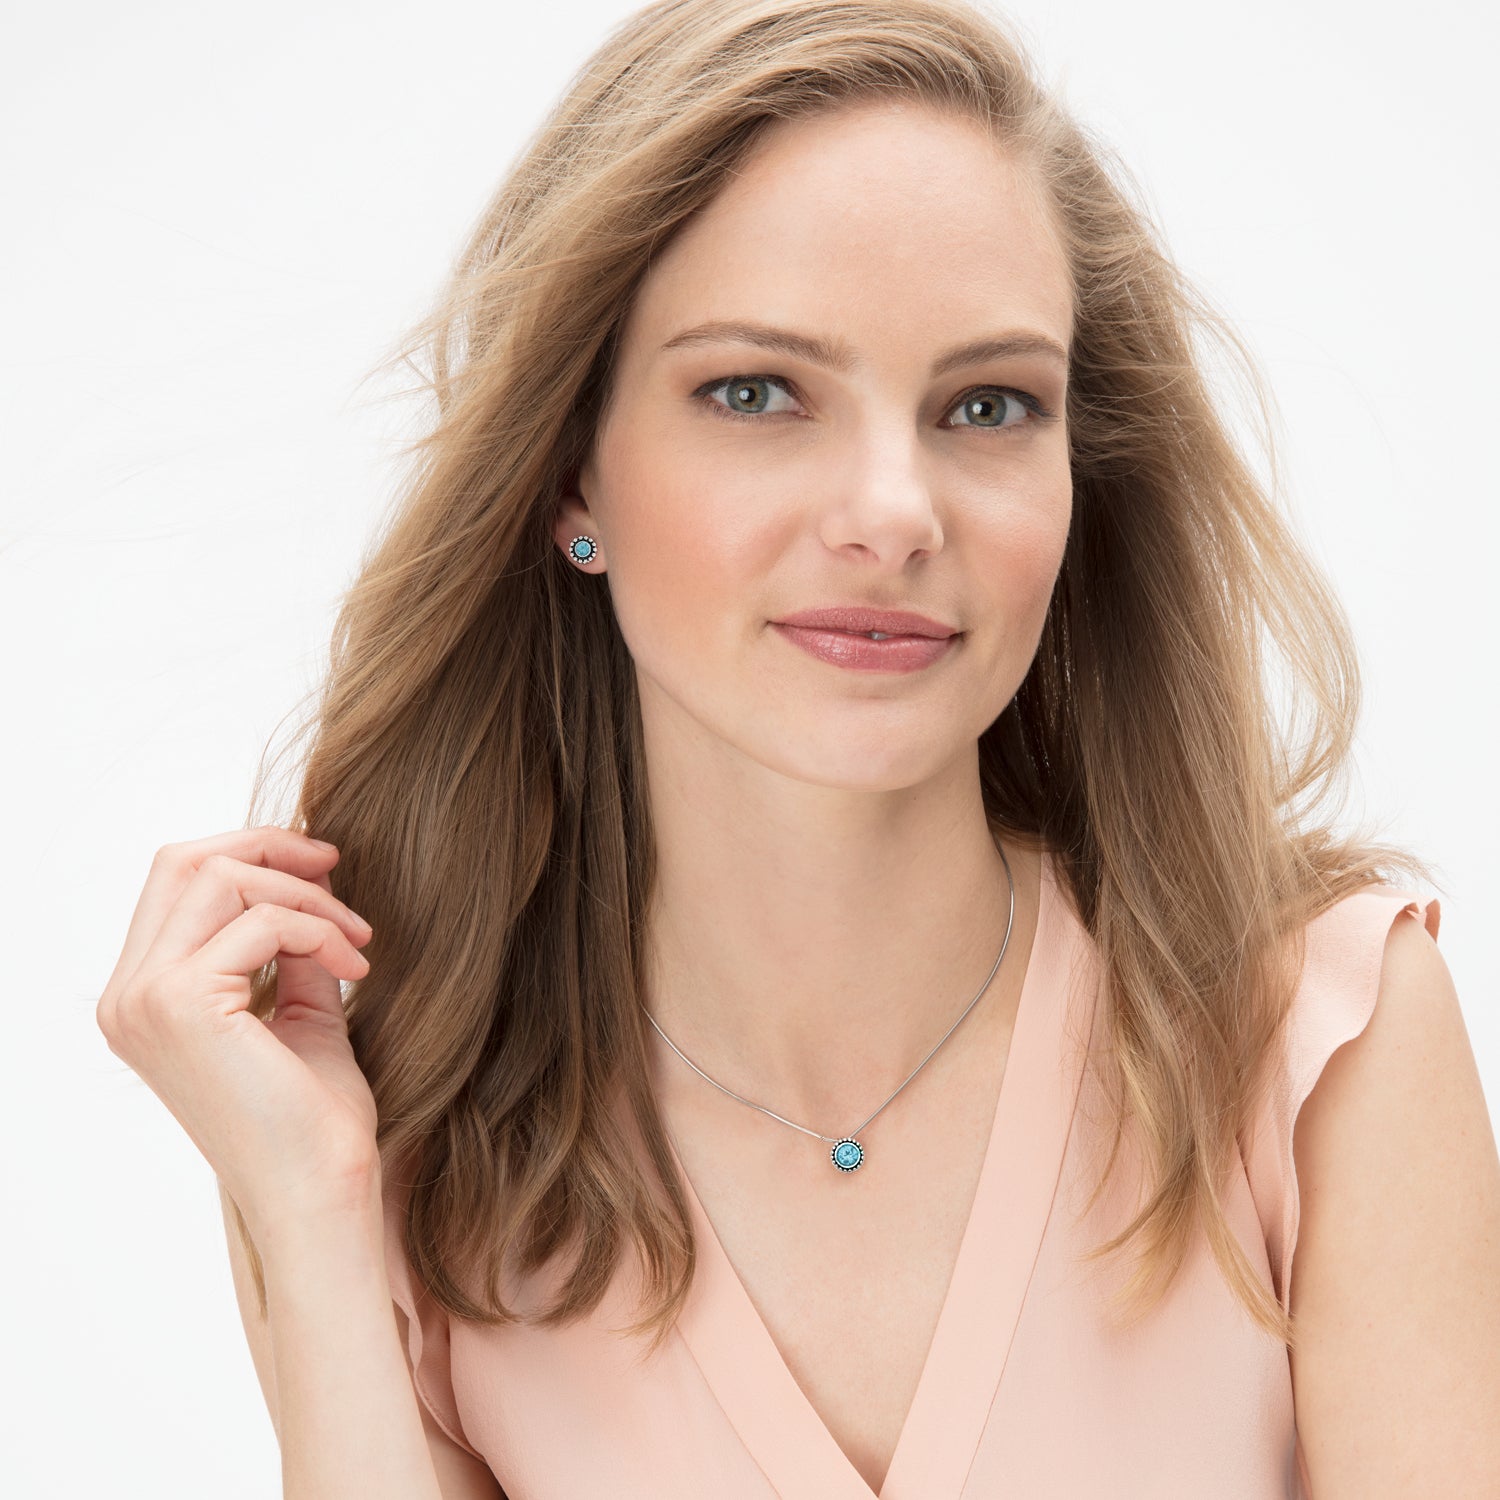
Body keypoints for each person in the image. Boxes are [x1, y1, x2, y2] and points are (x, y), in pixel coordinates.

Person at [95, 1, 1500, 1496]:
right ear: (571, 472)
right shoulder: (395, 1131)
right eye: (755, 392)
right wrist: (312, 1219)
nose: (893, 512)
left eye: (988, 405)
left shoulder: (1315, 1044)